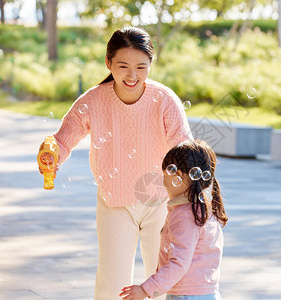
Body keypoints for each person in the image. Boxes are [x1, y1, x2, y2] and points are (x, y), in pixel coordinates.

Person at [41, 27, 192, 299]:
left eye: (141, 67)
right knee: (112, 284)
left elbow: (184, 150)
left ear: (150, 65)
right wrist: (52, 156)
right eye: (123, 66)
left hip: (162, 203)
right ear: (108, 63)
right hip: (114, 203)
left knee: (163, 280)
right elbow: (62, 141)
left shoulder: (164, 100)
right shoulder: (93, 101)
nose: (132, 75)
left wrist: (195, 195)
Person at [119, 139, 228, 300]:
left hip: (186, 295)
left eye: (165, 175)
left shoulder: (184, 215)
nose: (163, 182)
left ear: (178, 176)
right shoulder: (205, 210)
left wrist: (146, 289)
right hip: (207, 293)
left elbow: (179, 263)